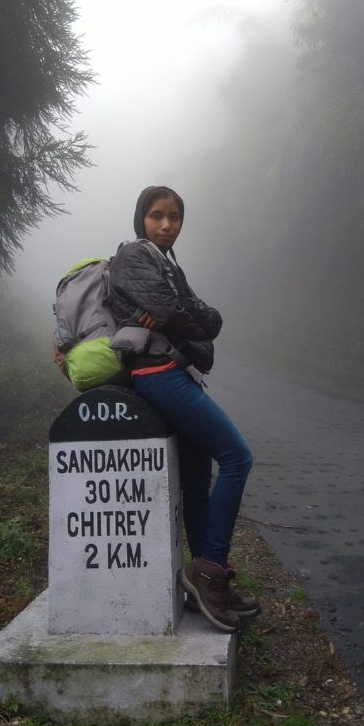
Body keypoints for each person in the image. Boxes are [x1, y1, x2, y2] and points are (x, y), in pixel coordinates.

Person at [108, 185, 259, 633]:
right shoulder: (135, 257)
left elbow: (208, 320)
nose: (166, 224)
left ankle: (202, 583)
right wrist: (182, 316)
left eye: (174, 217)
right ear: (142, 219)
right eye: (157, 216)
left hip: (173, 371)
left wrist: (182, 317)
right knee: (237, 456)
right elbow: (175, 310)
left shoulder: (168, 264)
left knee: (197, 479)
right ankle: (210, 570)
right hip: (157, 374)